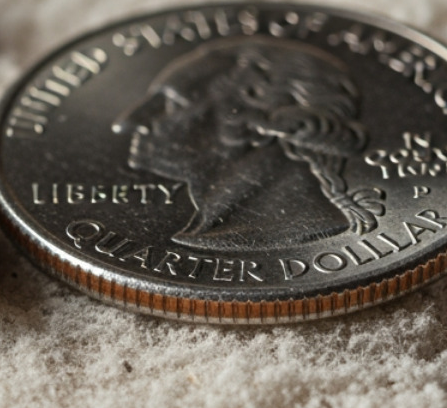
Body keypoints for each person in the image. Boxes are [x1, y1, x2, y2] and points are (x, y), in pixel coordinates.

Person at [112, 40, 384, 251]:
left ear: (254, 118)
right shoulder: (217, 226)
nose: (128, 121)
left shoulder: (281, 229)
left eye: (173, 102)